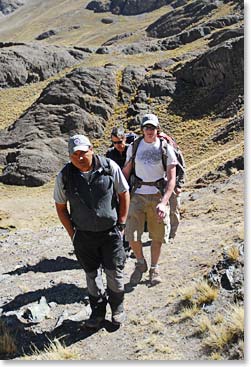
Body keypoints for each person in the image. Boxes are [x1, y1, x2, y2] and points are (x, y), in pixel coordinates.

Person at [54, 134, 130, 328]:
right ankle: (97, 314)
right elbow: (61, 207)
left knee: (114, 274)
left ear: (91, 149)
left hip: (110, 233)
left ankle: (118, 309)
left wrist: (121, 222)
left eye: (83, 152)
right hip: (84, 236)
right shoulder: (65, 176)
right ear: (70, 156)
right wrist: (73, 234)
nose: (79, 157)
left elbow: (124, 193)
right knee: (92, 276)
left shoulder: (109, 167)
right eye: (74, 154)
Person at [122, 113, 177, 286]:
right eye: (146, 127)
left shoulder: (165, 148)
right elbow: (126, 171)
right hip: (137, 194)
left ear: (157, 128)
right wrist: (119, 193)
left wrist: (164, 202)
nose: (149, 131)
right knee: (131, 233)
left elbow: (171, 179)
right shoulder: (134, 146)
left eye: (152, 127)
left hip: (157, 195)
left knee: (157, 235)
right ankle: (140, 262)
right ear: (142, 129)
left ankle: (154, 268)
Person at [106, 126, 132, 258]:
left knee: (131, 217)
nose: (118, 145)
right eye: (115, 142)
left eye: (120, 141)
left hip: (132, 189)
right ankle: (121, 245)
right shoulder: (110, 154)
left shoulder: (131, 150)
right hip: (116, 191)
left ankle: (128, 245)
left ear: (125, 139)